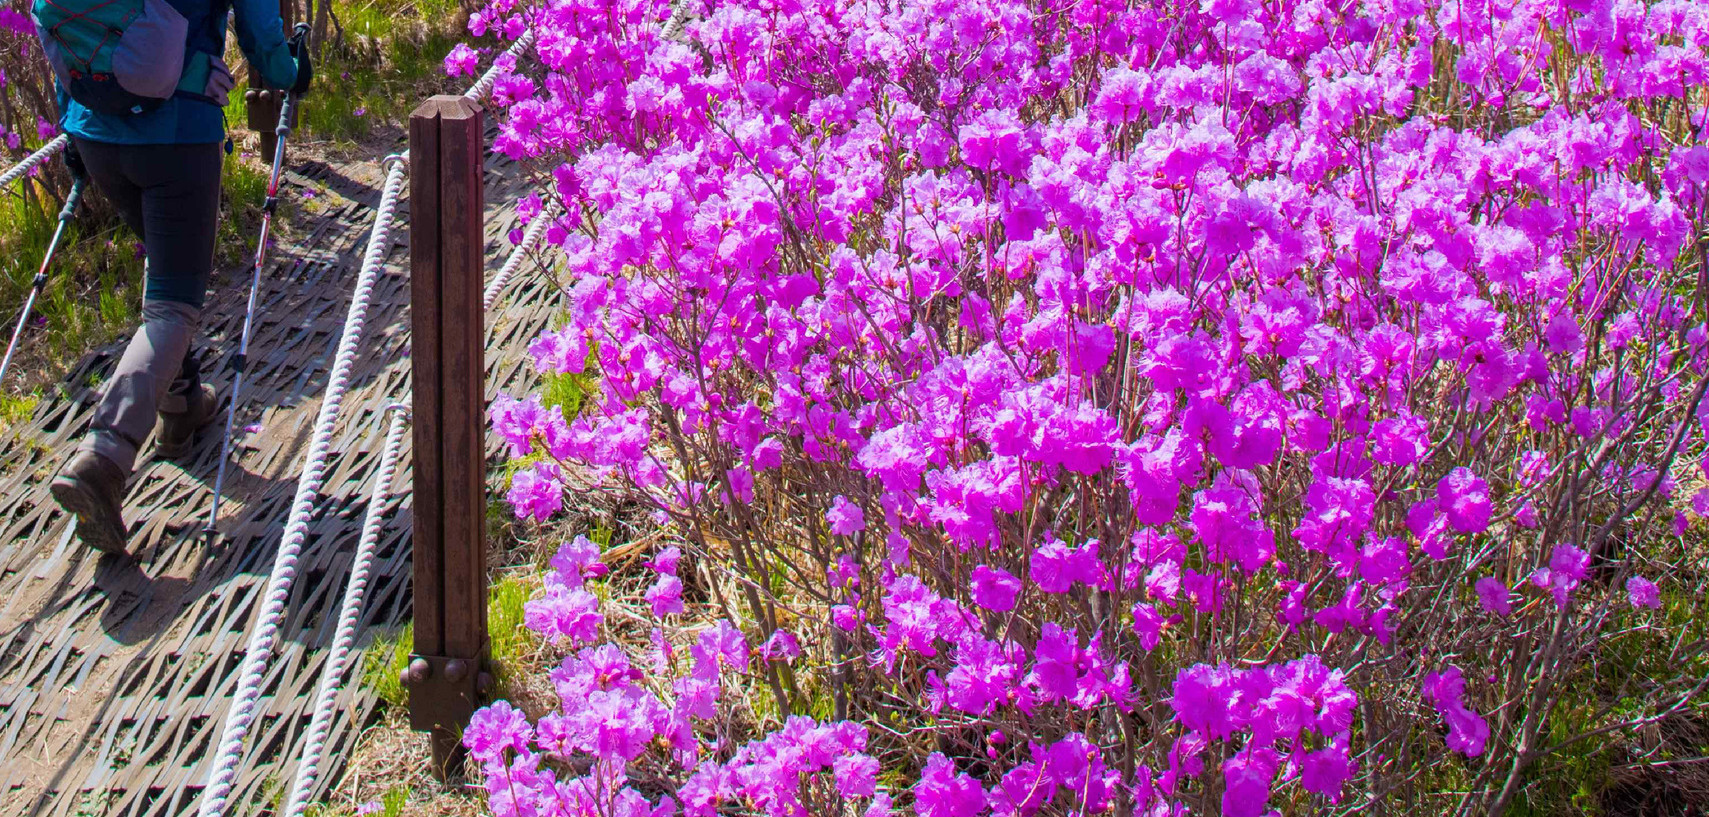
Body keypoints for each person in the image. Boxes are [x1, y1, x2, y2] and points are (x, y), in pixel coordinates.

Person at [40, 0, 312, 554]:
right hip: (176, 136)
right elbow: (261, 36)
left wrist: (72, 126)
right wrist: (294, 72)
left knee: (163, 269)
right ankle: (105, 456)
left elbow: (70, 37)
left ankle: (181, 405)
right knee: (173, 303)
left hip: (95, 136)